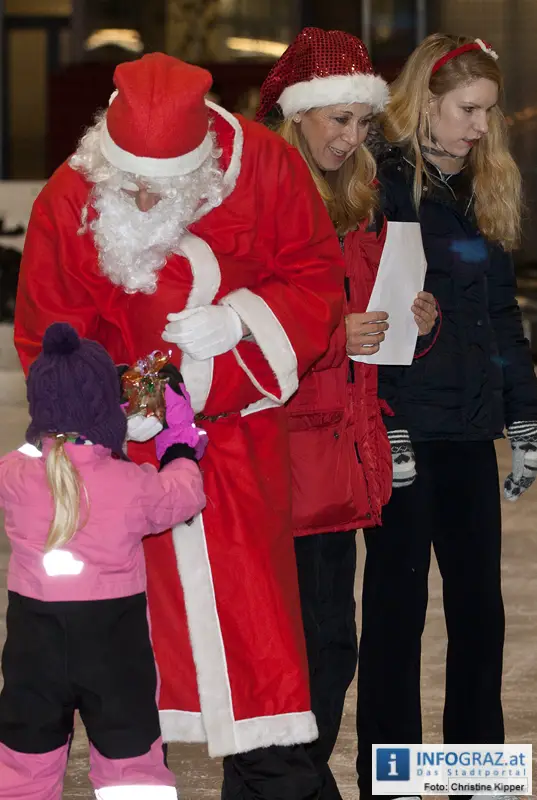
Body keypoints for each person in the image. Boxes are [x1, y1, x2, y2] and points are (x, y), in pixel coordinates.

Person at [14, 52, 345, 799]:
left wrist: (238, 323)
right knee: (132, 660)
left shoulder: (263, 167)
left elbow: (313, 278)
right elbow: (52, 337)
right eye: (130, 179)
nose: (137, 192)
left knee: (257, 649)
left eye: (156, 187)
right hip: (123, 461)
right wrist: (118, 410)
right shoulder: (72, 195)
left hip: (239, 445)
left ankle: (275, 782)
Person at [256, 28, 439, 799]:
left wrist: (411, 324)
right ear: (294, 117)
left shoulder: (357, 196)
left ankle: (287, 782)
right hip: (282, 459)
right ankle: (294, 785)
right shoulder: (260, 196)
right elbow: (245, 324)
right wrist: (333, 333)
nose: (350, 137)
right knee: (293, 651)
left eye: (360, 123)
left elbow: (371, 334)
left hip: (344, 456)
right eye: (335, 120)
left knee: (333, 645)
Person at [357, 33, 537, 800]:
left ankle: (473, 782)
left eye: (486, 113)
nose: (477, 127)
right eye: (466, 110)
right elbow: (365, 309)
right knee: (396, 622)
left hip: (467, 433)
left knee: (479, 620)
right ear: (427, 98)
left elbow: (501, 314)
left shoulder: (482, 184)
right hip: (403, 436)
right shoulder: (382, 183)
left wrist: (523, 418)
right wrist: (388, 416)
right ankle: (391, 787)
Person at [0, 322, 207, 800]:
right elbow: (183, 494)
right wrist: (178, 441)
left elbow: (36, 447)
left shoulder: (15, 476)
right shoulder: (129, 484)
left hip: (35, 651)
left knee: (24, 765)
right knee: (131, 764)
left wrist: (69, 422)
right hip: (114, 650)